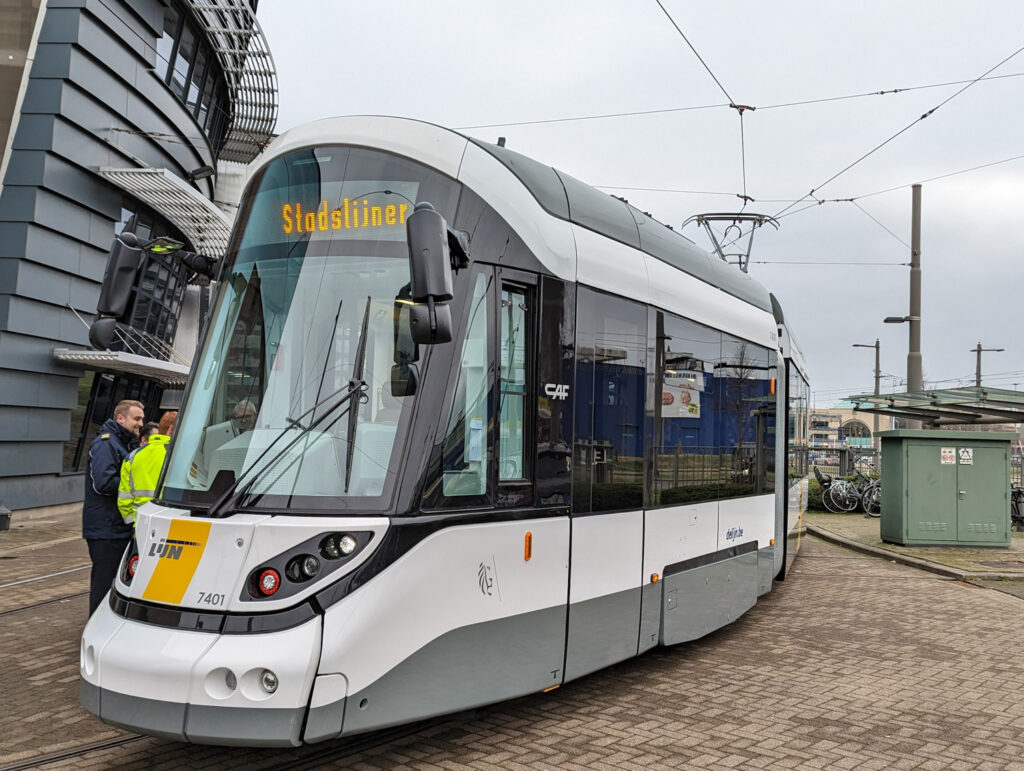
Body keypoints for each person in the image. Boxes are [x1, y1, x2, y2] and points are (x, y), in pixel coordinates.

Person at [83, 399, 144, 616]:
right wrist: (133, 484)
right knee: (104, 582)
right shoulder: (106, 444)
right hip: (106, 528)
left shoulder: (122, 443)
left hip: (115, 526)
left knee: (113, 582)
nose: (141, 423)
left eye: (142, 419)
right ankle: (97, 624)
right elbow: (103, 483)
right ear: (120, 418)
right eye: (136, 418)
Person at [118, 411, 177, 526]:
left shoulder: (132, 457)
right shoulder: (177, 456)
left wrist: (133, 523)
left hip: (140, 525)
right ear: (171, 429)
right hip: (168, 524)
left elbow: (124, 499)